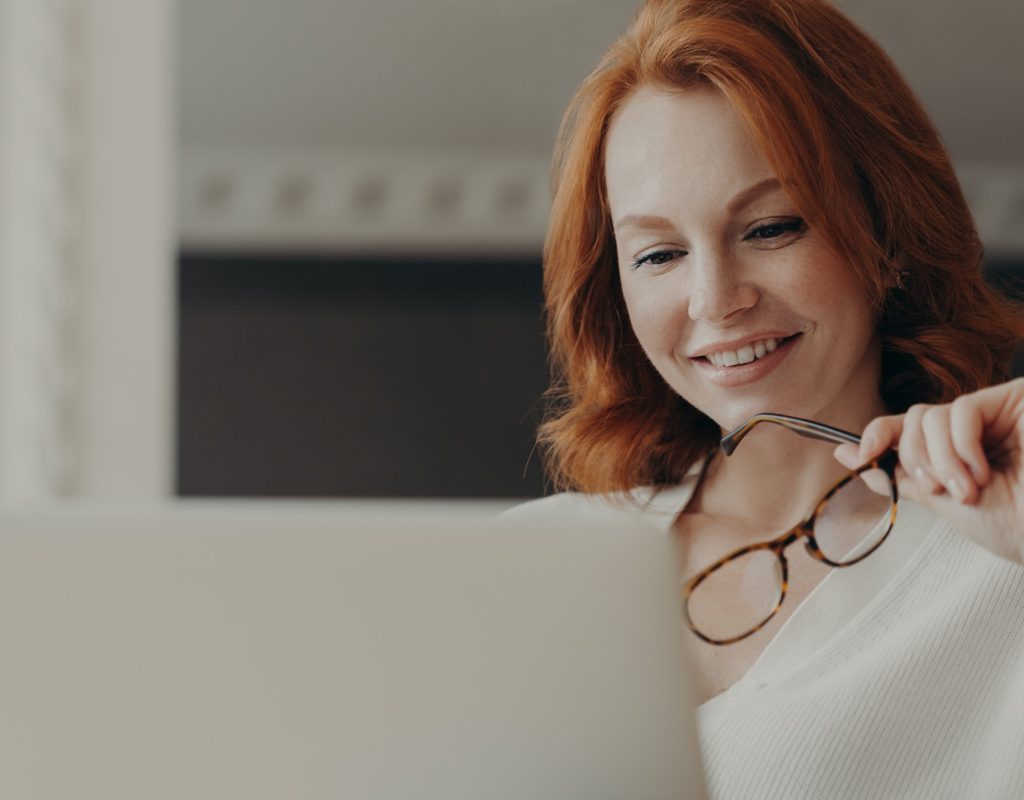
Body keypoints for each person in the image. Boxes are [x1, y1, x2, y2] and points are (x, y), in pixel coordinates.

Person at [507, 0, 1024, 797]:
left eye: (772, 228)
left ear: (886, 233)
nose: (714, 301)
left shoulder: (1002, 561)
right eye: (660, 254)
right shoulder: (526, 560)